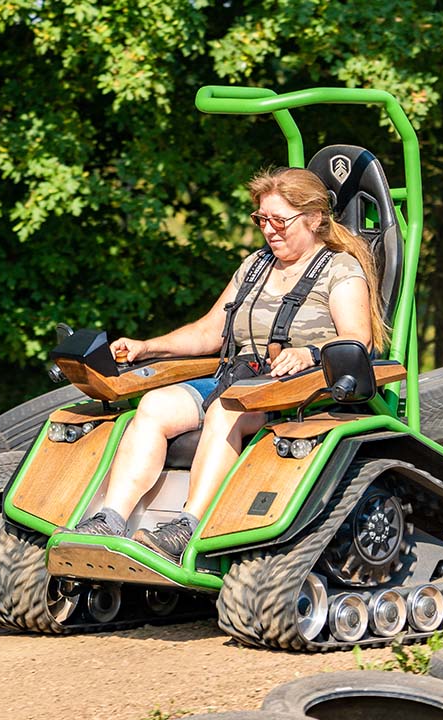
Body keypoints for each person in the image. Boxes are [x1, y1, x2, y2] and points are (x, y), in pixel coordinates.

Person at [68, 166, 388, 561]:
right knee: (154, 406)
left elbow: (359, 340)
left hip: (303, 389)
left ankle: (187, 527)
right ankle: (110, 520)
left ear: (315, 218)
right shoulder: (255, 265)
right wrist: (147, 346)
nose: (270, 230)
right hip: (237, 377)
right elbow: (210, 332)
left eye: (280, 221)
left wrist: (308, 353)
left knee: (225, 410)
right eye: (262, 220)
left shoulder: (340, 269)